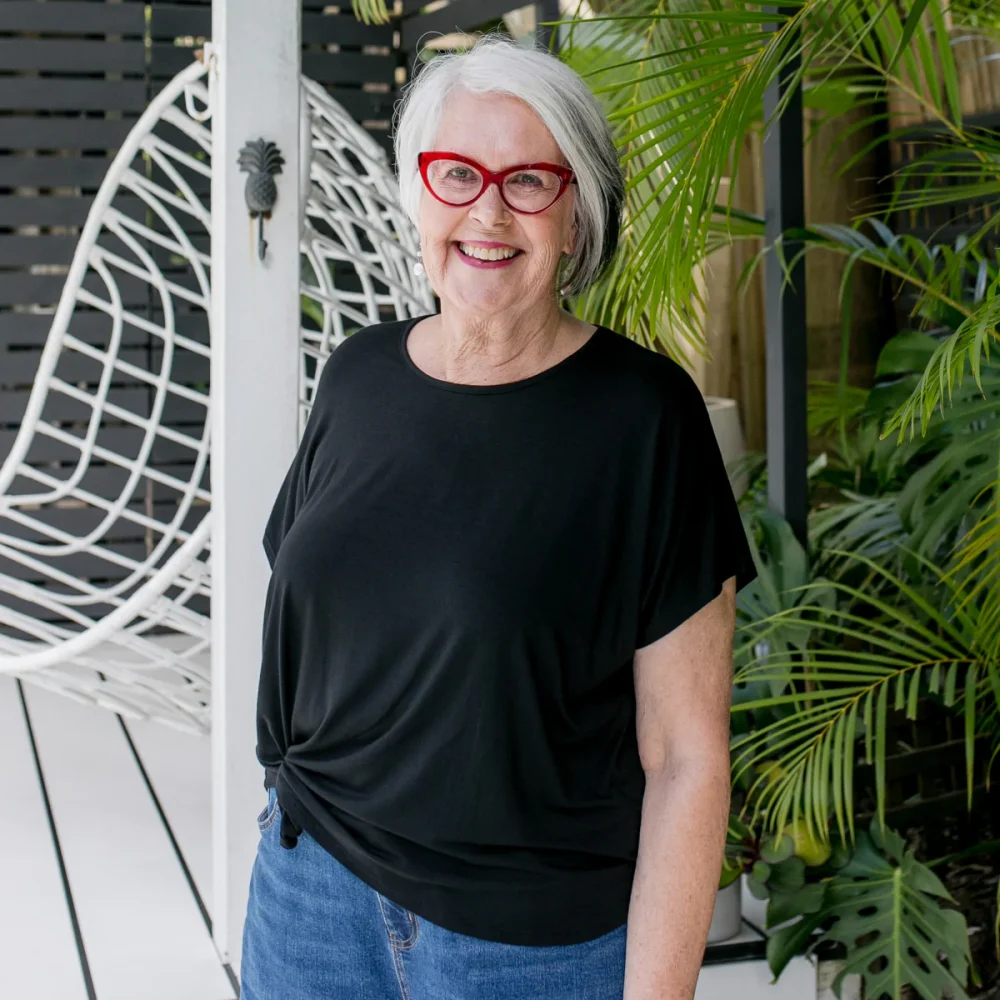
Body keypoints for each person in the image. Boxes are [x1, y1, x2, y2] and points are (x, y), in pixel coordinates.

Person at [240, 29, 758, 1000]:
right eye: (458, 174)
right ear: (417, 191)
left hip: (527, 947)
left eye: (529, 181)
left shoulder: (642, 418)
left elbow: (686, 756)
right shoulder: (357, 376)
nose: (489, 210)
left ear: (577, 213)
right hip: (310, 900)